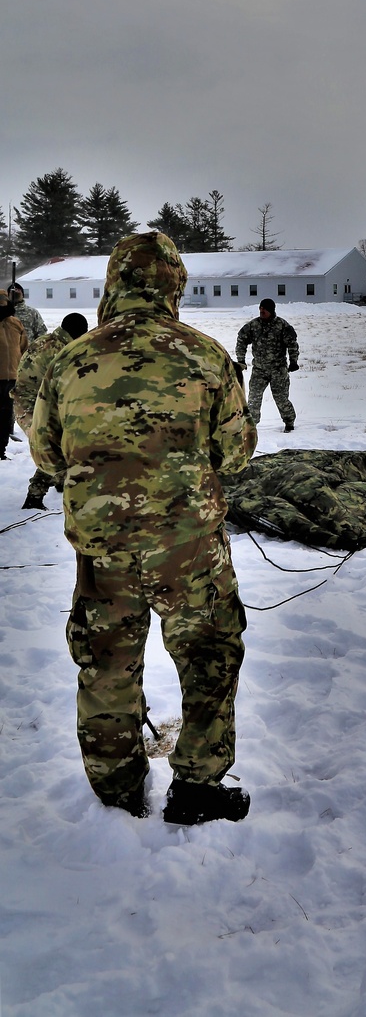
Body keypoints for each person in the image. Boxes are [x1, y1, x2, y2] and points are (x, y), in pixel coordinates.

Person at [31, 232, 257, 823]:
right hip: (188, 549)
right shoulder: (206, 355)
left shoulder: (69, 360)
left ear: (113, 283)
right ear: (174, 285)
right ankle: (199, 789)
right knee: (208, 657)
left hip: (103, 550)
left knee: (106, 664)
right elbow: (236, 453)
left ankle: (117, 792)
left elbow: (47, 454)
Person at [13, 312, 89, 508]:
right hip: (32, 406)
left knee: (57, 444)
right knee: (53, 446)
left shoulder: (46, 340)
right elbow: (68, 386)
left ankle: (60, 481)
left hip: (25, 402)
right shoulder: (62, 351)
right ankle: (35, 496)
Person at [235, 298, 299, 432]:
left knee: (281, 398)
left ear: (271, 310)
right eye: (260, 308)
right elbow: (241, 339)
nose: (261, 311)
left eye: (264, 309)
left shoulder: (282, 325)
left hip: (278, 370)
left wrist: (293, 361)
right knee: (253, 398)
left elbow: (292, 344)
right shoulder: (253, 325)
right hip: (259, 370)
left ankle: (289, 423)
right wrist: (241, 360)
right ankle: (251, 426)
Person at [0, 290, 29, 460]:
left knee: (5, 418)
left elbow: (24, 349)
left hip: (12, 378)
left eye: (4, 302)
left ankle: (0, 451)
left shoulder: (16, 323)